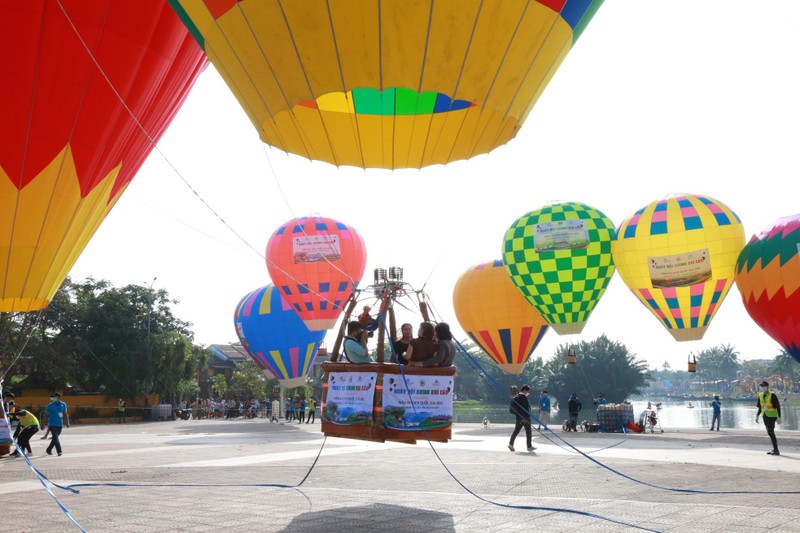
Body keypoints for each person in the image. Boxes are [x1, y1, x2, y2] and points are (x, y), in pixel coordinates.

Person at [755, 380, 781, 455]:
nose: (762, 387)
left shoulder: (772, 395)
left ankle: (776, 450)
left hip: (772, 415)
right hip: (765, 415)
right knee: (769, 432)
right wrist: (757, 415)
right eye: (761, 386)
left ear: (767, 387)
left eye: (763, 386)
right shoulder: (760, 395)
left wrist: (779, 416)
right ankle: (775, 449)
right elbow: (760, 407)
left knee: (770, 431)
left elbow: (778, 406)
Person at [508, 385, 535, 452]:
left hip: (518, 417)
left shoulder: (516, 397)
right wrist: (524, 417)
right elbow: (525, 408)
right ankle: (529, 446)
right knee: (528, 432)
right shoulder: (523, 397)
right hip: (525, 417)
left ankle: (511, 444)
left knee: (516, 431)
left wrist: (520, 416)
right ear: (525, 390)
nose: (528, 392)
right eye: (527, 391)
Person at [44, 392, 69, 456]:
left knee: (55, 438)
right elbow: (46, 415)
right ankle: (59, 451)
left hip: (60, 424)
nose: (55, 399)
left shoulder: (63, 404)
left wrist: (67, 422)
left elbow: (65, 414)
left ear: (59, 398)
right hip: (52, 424)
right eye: (54, 398)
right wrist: (42, 424)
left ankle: (48, 449)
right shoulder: (50, 405)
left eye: (56, 397)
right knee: (55, 437)